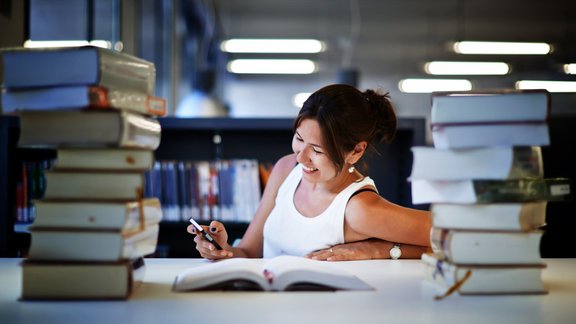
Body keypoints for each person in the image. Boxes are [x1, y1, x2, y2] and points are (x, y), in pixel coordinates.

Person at [188, 84, 431, 261]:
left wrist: (379, 250)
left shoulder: (359, 209)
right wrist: (221, 250)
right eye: (298, 138)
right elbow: (249, 253)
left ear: (356, 152)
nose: (301, 157)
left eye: (316, 150)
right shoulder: (286, 169)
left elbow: (459, 240)